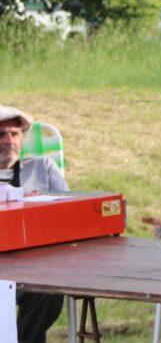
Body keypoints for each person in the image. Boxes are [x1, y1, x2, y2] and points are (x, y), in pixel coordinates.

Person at [0, 105, 67, 343]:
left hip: (36, 266)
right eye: (1, 134)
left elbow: (67, 215)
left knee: (48, 290)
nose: (9, 141)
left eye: (14, 134)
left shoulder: (43, 168)